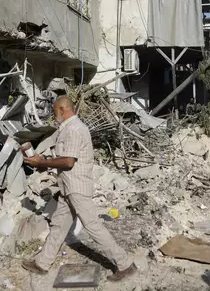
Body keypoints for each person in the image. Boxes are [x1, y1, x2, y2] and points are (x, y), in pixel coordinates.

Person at [21, 96, 137, 281]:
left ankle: (125, 264)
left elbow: (68, 161)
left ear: (61, 109)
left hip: (77, 187)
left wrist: (42, 161)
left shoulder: (74, 129)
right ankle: (42, 263)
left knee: (93, 226)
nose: (53, 115)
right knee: (59, 225)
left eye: (54, 111)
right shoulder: (68, 129)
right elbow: (63, 160)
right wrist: (42, 163)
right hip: (68, 187)